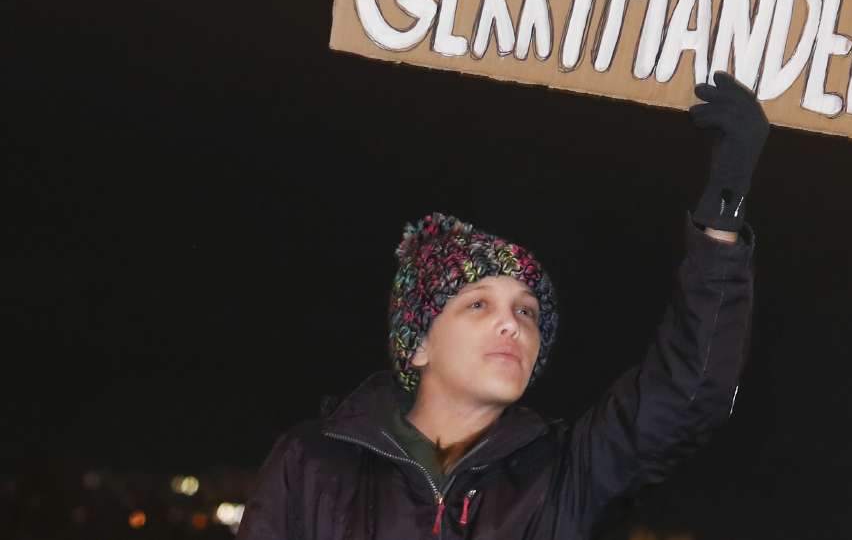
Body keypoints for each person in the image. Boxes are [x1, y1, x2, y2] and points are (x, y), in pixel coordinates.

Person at [236, 71, 769, 539]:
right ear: (419, 343)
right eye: (477, 305)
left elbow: (688, 392)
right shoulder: (314, 464)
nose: (511, 325)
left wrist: (723, 209)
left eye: (527, 312)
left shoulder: (564, 475)